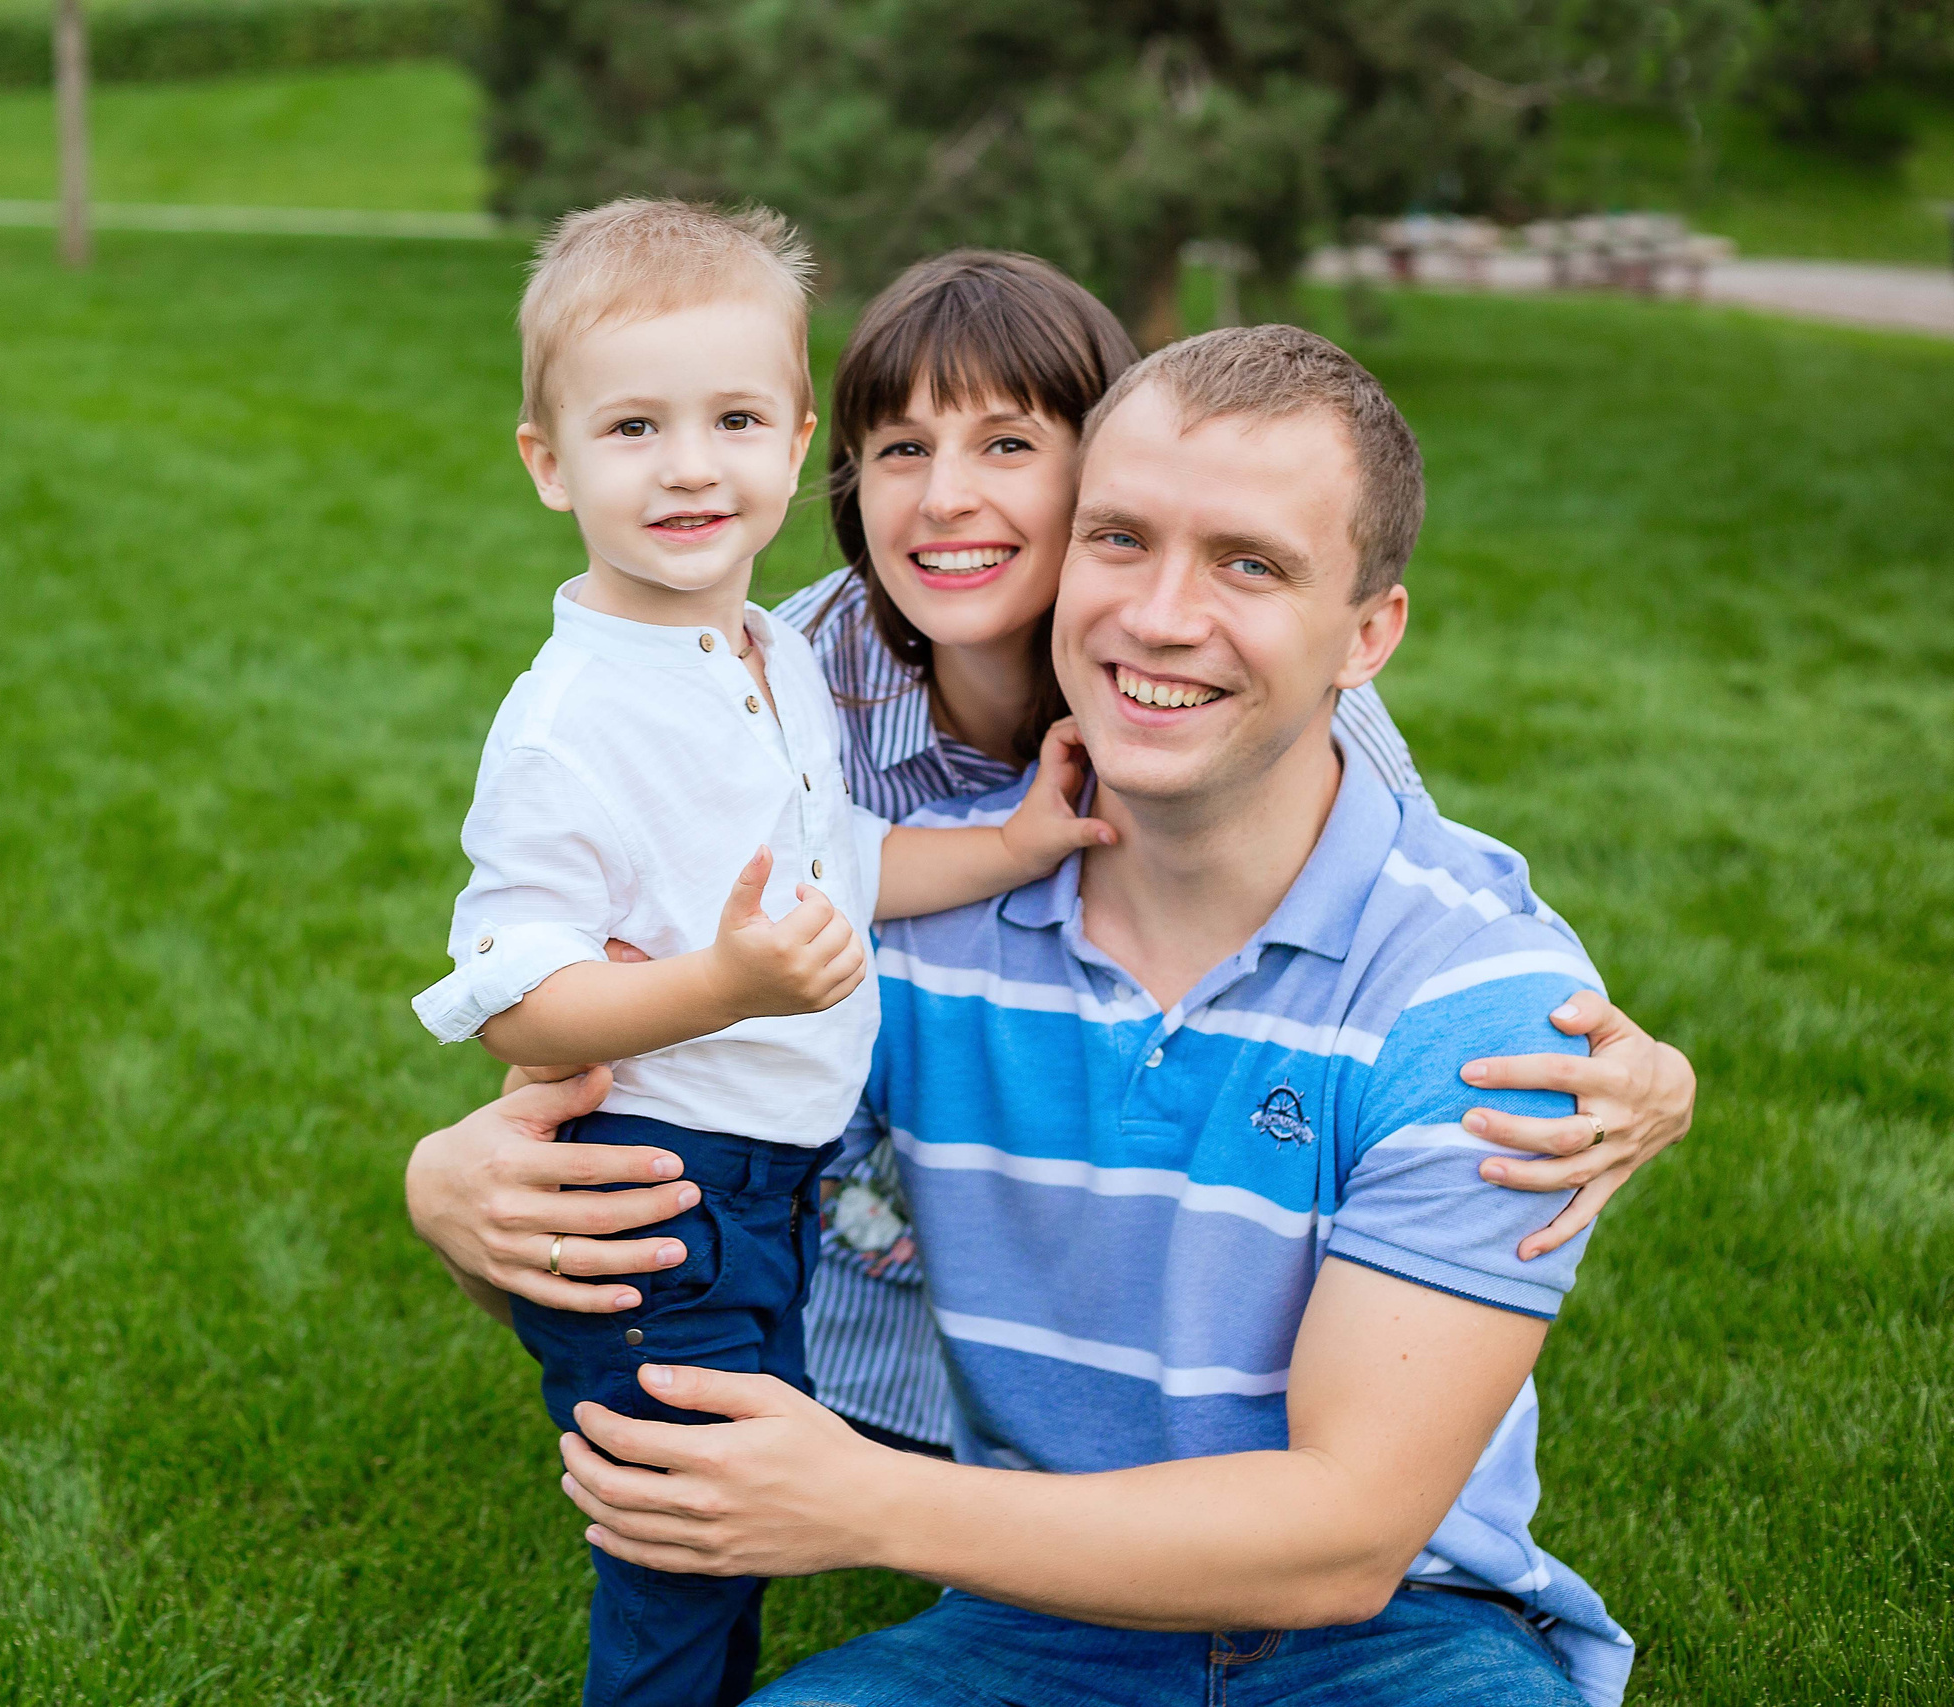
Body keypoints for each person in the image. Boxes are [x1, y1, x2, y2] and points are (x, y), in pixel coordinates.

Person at [411, 251, 1697, 1467]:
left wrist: (1648, 1071)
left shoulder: (1238, 690)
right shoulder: (776, 681)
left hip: (1102, 1312)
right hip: (823, 1285)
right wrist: (446, 1175)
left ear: (1105, 477)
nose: (946, 496)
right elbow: (594, 1006)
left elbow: (1390, 930)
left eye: (1010, 445)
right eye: (901, 449)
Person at [550, 325, 1644, 1704]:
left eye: (1250, 562)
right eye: (1120, 539)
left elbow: (1349, 1536)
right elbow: (643, 1190)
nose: (1162, 613)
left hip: (1403, 1643)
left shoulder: (1477, 1004)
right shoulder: (919, 926)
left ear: (1369, 632)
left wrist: (867, 1503)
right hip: (1026, 1620)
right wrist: (463, 1183)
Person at [410, 201, 1109, 1707]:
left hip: (767, 1175)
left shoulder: (775, 651)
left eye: (732, 418)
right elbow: (519, 997)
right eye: (632, 426)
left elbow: (841, 870)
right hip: (668, 1171)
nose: (687, 464)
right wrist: (724, 986)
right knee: (683, 1526)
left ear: (796, 445)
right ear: (548, 461)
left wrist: (1013, 846)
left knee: (731, 1513)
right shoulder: (571, 720)